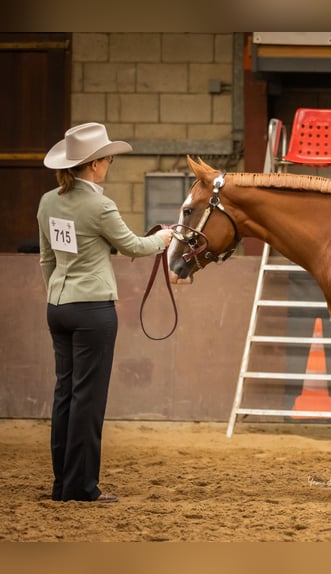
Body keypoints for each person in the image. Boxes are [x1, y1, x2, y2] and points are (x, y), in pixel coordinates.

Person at [37, 122, 174, 503]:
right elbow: (132, 245)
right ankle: (82, 486)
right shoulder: (99, 204)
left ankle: (62, 483)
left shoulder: (49, 201)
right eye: (108, 159)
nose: (109, 164)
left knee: (65, 393)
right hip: (93, 310)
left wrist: (57, 293)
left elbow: (48, 260)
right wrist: (162, 240)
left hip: (58, 306)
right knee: (89, 399)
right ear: (95, 164)